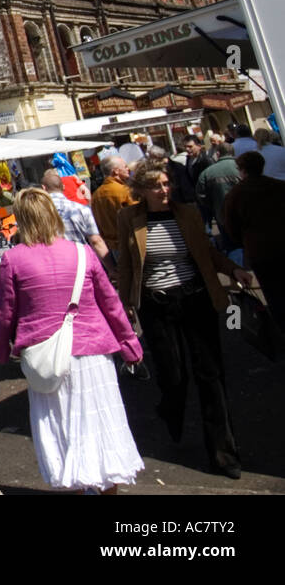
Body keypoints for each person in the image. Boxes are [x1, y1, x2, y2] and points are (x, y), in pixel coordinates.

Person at [0, 188, 144, 493]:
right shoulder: (82, 252)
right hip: (93, 351)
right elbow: (110, 303)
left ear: (21, 219)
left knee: (61, 431)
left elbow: (5, 313)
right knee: (102, 430)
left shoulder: (13, 259)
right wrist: (130, 345)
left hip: (46, 356)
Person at [115, 162, 253, 479]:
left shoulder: (187, 213)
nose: (165, 190)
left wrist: (233, 270)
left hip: (195, 300)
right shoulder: (129, 218)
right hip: (155, 305)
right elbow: (125, 265)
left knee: (210, 375)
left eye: (167, 184)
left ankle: (224, 454)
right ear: (142, 191)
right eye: (157, 186)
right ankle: (170, 409)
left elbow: (206, 251)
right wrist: (125, 306)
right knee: (173, 376)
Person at [222, 150, 285, 317]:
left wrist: (243, 241)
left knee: (273, 293)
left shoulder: (235, 194)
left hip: (260, 251)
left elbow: (231, 227)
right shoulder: (279, 186)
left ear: (242, 169)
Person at [41, 169, 111, 265]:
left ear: (43, 188)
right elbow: (96, 241)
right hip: (82, 260)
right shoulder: (82, 209)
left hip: (54, 263)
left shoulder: (37, 212)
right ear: (63, 187)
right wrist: (110, 268)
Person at [91, 155, 135, 264]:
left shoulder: (96, 195)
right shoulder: (125, 191)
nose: (128, 169)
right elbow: (137, 217)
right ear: (116, 171)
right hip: (131, 244)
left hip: (113, 248)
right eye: (125, 166)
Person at [196, 142, 241, 249]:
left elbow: (200, 195)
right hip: (246, 215)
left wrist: (213, 206)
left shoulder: (208, 173)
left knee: (232, 247)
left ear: (218, 153)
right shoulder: (242, 168)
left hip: (222, 215)